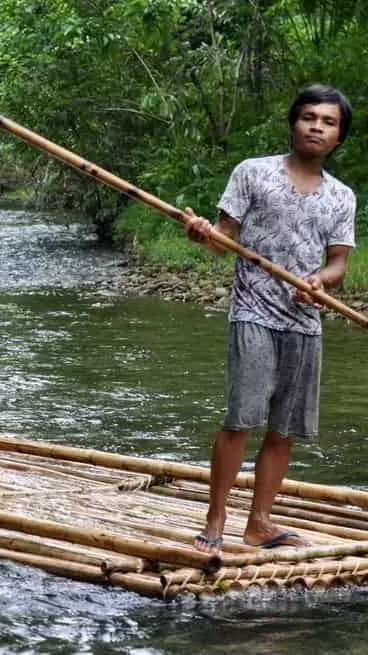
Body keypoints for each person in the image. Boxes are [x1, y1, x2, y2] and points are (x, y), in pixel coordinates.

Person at [185, 84, 356, 554]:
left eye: (328, 122)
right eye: (308, 117)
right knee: (240, 418)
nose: (316, 127)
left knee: (285, 429)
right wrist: (201, 234)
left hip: (304, 321)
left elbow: (338, 264)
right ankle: (215, 520)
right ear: (294, 123)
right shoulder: (253, 173)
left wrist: (320, 281)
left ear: (339, 136)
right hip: (253, 312)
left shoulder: (341, 196)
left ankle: (259, 523)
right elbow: (223, 239)